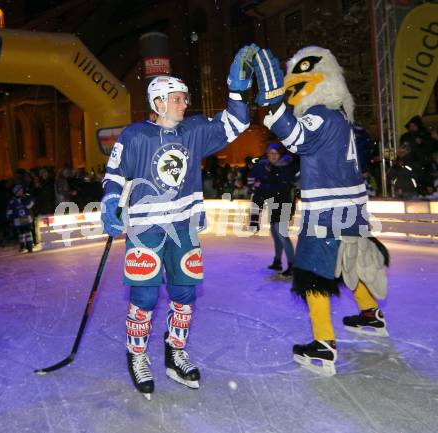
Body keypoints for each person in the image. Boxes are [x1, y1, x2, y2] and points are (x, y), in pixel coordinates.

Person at [101, 44, 257, 398]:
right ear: (158, 103)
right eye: (177, 98)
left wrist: (236, 92)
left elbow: (236, 123)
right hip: (145, 232)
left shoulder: (194, 131)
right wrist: (111, 200)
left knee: (184, 294)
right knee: (143, 296)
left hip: (184, 230)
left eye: (185, 98)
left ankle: (175, 352)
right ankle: (137, 354)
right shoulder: (135, 136)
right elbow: (114, 172)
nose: (185, 103)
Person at [251, 46, 390, 375]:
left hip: (327, 210)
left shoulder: (322, 114)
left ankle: (323, 343)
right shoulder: (341, 117)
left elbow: (297, 137)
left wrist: (274, 105)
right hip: (351, 204)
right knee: (348, 261)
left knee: (312, 271)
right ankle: (370, 314)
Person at [249, 143, 298, 277]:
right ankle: (277, 261)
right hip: (274, 204)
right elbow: (270, 187)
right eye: (270, 153)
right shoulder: (271, 167)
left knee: (281, 234)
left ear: (280, 154)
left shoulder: (285, 168)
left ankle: (293, 265)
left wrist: (262, 185)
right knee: (275, 233)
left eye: (275, 153)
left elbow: (280, 187)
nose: (273, 156)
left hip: (284, 204)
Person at [6, 183, 35, 252]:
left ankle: (29, 246)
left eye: (22, 190)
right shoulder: (12, 201)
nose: (22, 191)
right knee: (21, 233)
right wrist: (9, 217)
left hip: (26, 218)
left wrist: (29, 200)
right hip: (18, 219)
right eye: (20, 191)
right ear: (16, 192)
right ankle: (22, 245)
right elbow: (9, 210)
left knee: (28, 232)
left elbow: (30, 205)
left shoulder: (25, 197)